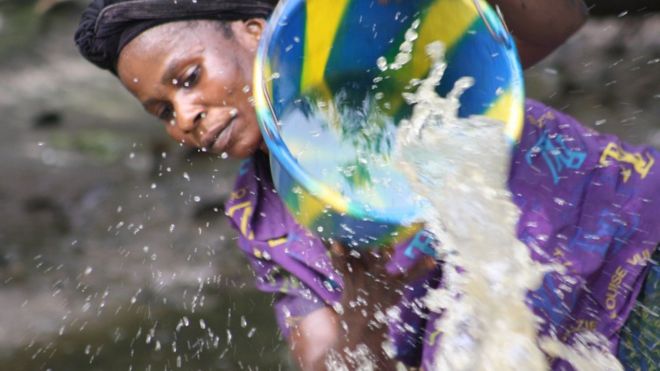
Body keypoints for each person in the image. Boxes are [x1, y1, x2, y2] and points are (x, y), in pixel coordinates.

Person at [74, 0, 659, 369]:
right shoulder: (265, 223)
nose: (186, 116)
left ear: (255, 31)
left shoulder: (387, 45)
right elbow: (332, 364)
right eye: (162, 111)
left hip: (643, 262)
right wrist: (364, 296)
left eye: (189, 78)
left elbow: (559, 18)